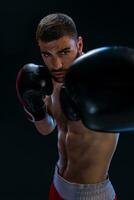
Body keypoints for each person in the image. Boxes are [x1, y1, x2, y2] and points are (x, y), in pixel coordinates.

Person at [16, 13, 119, 200]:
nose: (56, 65)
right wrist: (34, 109)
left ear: (79, 44)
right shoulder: (51, 80)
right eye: (47, 54)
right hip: (58, 186)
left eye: (64, 52)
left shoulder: (100, 80)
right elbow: (47, 128)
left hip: (92, 195)